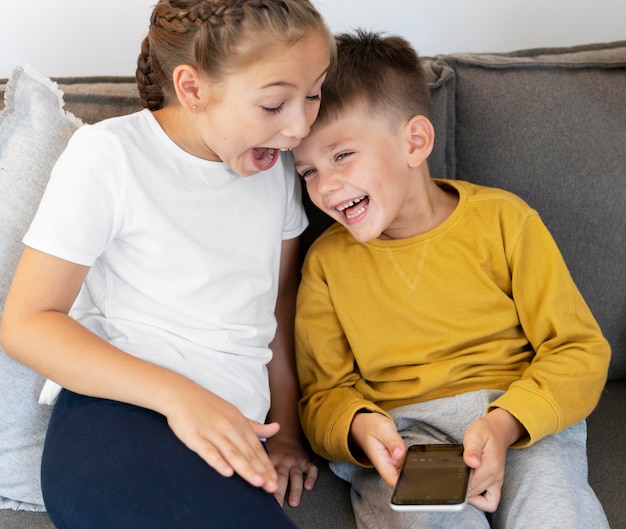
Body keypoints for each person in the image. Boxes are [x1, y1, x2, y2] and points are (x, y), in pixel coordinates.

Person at [0, 2, 334, 528]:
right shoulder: (109, 156)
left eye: (314, 93)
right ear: (193, 88)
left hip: (226, 429)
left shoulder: (274, 166)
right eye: (274, 105)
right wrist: (181, 399)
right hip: (117, 417)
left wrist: (288, 430)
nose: (298, 128)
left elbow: (279, 307)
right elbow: (26, 324)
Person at [292, 30, 610, 529]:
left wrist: (506, 424)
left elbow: (580, 351)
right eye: (307, 170)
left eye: (342, 155)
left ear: (414, 142)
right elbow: (321, 393)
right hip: (406, 440)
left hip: (517, 418)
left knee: (555, 514)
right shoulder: (326, 263)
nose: (325, 187)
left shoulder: (505, 221)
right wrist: (358, 425)